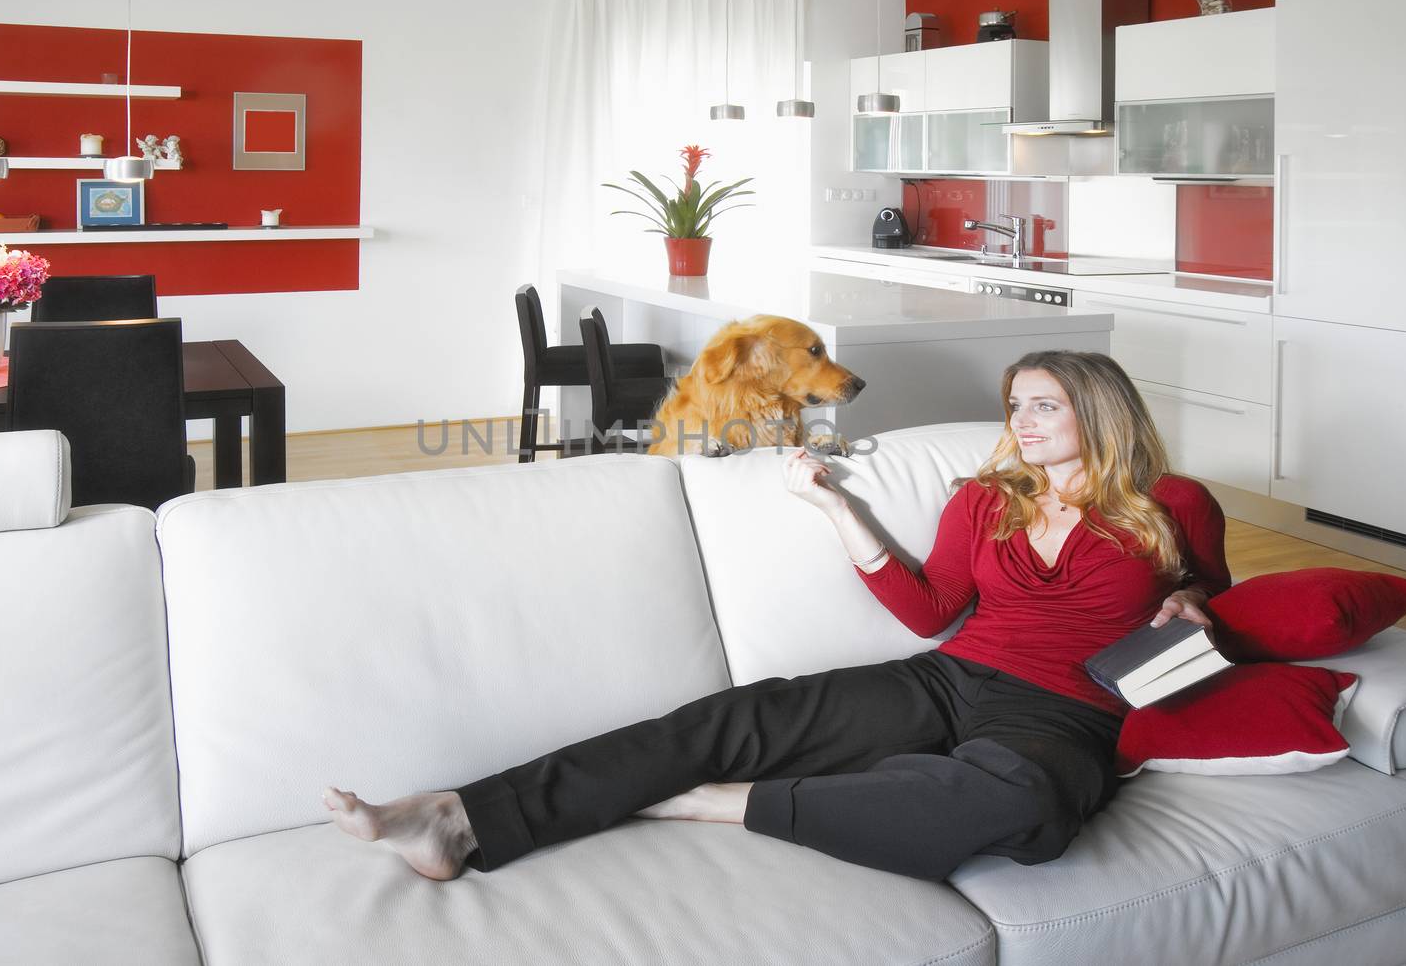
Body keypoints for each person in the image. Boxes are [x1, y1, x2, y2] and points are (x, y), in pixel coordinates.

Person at [322, 350, 1230, 882]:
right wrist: (840, 509)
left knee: (1027, 804)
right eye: (1015, 406)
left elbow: (1221, 604)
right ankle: (457, 817)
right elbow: (931, 611)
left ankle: (722, 806)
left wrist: (1193, 601)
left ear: (1100, 411)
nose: (1022, 421)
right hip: (947, 680)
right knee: (734, 716)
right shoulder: (986, 499)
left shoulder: (1175, 502)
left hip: (1066, 713)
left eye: (1044, 404)